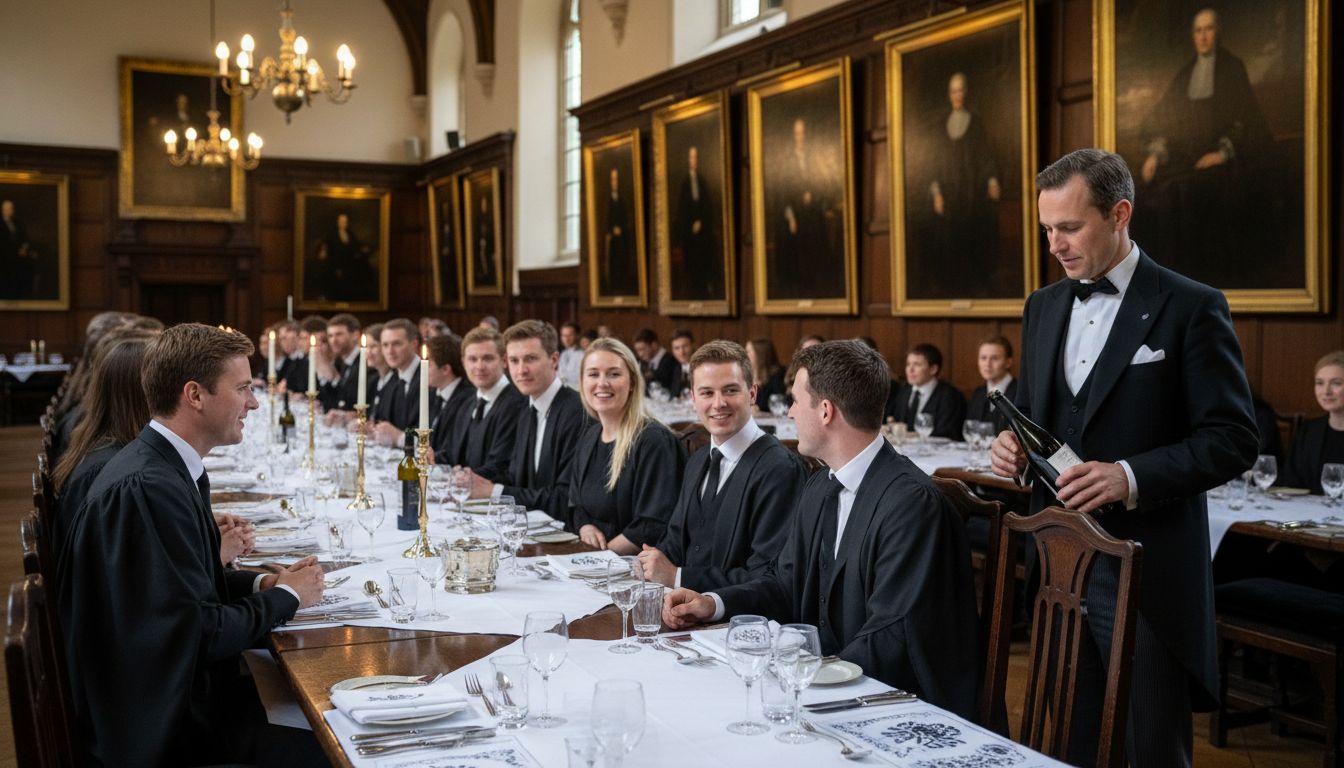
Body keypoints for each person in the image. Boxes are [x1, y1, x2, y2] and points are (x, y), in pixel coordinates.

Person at [990, 148, 1258, 766]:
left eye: (1070, 227)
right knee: (1074, 737)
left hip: (1147, 567)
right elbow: (1037, 416)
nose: (1055, 244)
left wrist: (1129, 476)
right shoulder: (1043, 305)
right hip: (1058, 557)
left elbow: (1233, 436)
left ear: (1120, 214)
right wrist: (1014, 449)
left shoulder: (1191, 305)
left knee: (1149, 745)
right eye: (1047, 229)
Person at [664, 340, 980, 716]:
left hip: (893, 704)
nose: (791, 412)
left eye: (797, 401)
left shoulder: (913, 504)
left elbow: (893, 636)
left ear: (826, 411)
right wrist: (715, 603)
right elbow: (785, 583)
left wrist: (802, 675)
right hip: (825, 685)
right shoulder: (821, 485)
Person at [57, 324, 326, 766]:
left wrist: (264, 583)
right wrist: (289, 597)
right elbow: (196, 633)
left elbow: (184, 590)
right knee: (334, 744)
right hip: (165, 731)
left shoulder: (164, 467)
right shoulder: (148, 488)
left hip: (167, 697)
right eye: (242, 389)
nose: (254, 403)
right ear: (195, 395)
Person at [638, 340, 805, 591]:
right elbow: (674, 541)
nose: (718, 403)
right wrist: (652, 561)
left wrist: (678, 577)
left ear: (752, 394)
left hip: (737, 622)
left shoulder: (781, 469)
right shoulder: (698, 460)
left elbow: (769, 577)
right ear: (693, 398)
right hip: (680, 609)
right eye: (707, 393)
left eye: (730, 390)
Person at [1134, 8, 1274, 287]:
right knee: (1154, 192)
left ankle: (1200, 278)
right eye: (1198, 31)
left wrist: (1221, 153)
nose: (1203, 36)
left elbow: (1249, 122)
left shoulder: (1232, 68)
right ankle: (1167, 280)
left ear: (1218, 32)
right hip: (1185, 161)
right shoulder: (1185, 74)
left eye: (1209, 29)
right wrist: (1155, 153)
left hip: (1224, 164)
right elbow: (1164, 120)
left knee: (1184, 191)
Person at [464, 320, 590, 523]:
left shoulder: (576, 412)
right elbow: (516, 476)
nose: (521, 370)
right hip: (532, 529)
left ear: (554, 360)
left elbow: (565, 498)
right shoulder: (526, 408)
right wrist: (471, 478)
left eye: (530, 359)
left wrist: (495, 492)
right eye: (514, 361)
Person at [569, 338, 686, 554]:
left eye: (614, 374)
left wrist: (600, 558)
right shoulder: (589, 435)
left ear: (632, 382)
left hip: (635, 569)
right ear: (582, 382)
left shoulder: (653, 440)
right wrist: (585, 527)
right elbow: (576, 504)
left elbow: (653, 525)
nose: (602, 383)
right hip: (593, 562)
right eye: (593, 374)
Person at [917, 72, 1001, 299]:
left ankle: (971, 286)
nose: (958, 95)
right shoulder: (940, 126)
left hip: (970, 194)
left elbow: (985, 156)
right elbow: (933, 164)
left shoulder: (976, 123)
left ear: (966, 92)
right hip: (948, 195)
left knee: (972, 236)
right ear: (949, 94)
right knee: (946, 241)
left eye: (961, 90)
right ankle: (949, 287)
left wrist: (992, 180)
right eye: (954, 91)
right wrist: (936, 194)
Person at [438, 326, 528, 481]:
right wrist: (434, 460)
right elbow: (450, 454)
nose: (479, 367)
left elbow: (500, 466)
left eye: (487, 358)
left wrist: (458, 477)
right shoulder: (467, 402)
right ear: (463, 362)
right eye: (472, 359)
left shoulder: (517, 403)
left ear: (504, 361)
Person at [769, 117, 844, 300]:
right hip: (797, 217)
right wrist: (791, 217)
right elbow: (784, 194)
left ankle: (816, 289)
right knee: (798, 256)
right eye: (797, 133)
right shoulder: (788, 163)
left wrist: (816, 198)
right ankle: (802, 290)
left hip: (812, 215)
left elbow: (820, 185)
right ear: (793, 136)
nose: (800, 137)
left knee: (817, 250)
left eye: (802, 133)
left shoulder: (812, 159)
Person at [1280, 351, 1344, 494]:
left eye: (1336, 383)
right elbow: (1290, 482)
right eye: (1320, 383)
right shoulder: (1309, 430)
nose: (1326, 391)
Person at [885, 343, 966, 439]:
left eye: (917, 365)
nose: (910, 370)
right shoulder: (904, 391)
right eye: (908, 364)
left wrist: (912, 435)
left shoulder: (950, 396)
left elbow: (947, 432)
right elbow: (894, 420)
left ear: (933, 369)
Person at [672, 146, 720, 300]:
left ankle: (706, 284)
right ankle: (694, 287)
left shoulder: (702, 181)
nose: (693, 160)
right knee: (691, 258)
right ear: (688, 160)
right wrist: (691, 223)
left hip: (703, 230)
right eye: (691, 157)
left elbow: (707, 206)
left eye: (695, 157)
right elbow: (681, 209)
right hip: (688, 233)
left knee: (706, 252)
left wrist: (701, 221)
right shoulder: (685, 183)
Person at [424, 333, 475, 460]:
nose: (422, 370)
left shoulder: (466, 398)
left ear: (446, 369)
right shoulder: (435, 394)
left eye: (428, 365)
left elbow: (451, 449)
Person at [371, 318, 422, 436]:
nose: (390, 351)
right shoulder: (393, 379)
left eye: (397, 344)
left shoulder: (428, 378)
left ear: (414, 344)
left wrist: (399, 437)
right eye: (385, 345)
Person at [311, 212, 375, 302]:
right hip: (335, 264)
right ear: (338, 222)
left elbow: (356, 246)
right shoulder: (332, 235)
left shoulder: (350, 234)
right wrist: (324, 252)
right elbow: (326, 247)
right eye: (342, 222)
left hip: (348, 264)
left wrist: (363, 249)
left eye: (345, 222)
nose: (344, 224)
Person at [965, 334, 1018, 433]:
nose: (987, 364)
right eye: (983, 358)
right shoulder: (978, 393)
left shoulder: (1020, 393)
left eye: (994, 358)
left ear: (1008, 362)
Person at [601, 167, 637, 297]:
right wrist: (612, 230)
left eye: (616, 179)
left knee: (622, 262)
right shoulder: (607, 200)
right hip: (612, 241)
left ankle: (622, 285)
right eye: (612, 180)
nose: (615, 182)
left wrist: (621, 228)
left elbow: (627, 218)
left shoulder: (622, 199)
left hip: (622, 239)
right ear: (610, 182)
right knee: (613, 264)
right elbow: (604, 220)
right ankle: (614, 287)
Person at [317, 313, 362, 413]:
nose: (333, 340)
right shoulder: (341, 362)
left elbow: (349, 402)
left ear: (355, 335)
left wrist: (332, 377)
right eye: (330, 336)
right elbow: (333, 401)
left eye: (339, 334)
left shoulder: (365, 363)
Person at [0, 199, 37, 299]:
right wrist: (16, 251)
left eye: (11, 209)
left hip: (19, 257)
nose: (9, 211)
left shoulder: (17, 223)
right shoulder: (1, 224)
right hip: (5, 259)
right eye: (6, 209)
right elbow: (3, 244)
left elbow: (25, 239)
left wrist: (24, 248)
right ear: (2, 210)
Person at [633, 328, 680, 396]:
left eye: (642, 349)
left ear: (654, 345)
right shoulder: (643, 362)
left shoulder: (671, 361)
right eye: (638, 351)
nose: (640, 354)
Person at [746, 338, 787, 413]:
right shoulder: (745, 375)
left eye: (748, 351)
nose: (745, 355)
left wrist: (758, 409)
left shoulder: (777, 377)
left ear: (759, 354)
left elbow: (779, 404)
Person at [558, 321, 584, 388]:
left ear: (577, 336)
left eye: (570, 335)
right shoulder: (563, 354)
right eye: (564, 335)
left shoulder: (583, 355)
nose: (566, 339)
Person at [669, 329, 695, 395]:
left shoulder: (702, 368)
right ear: (672, 350)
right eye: (677, 348)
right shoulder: (677, 368)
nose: (681, 352)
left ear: (693, 345)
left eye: (685, 346)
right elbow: (673, 394)